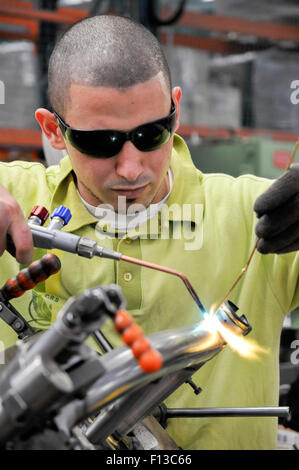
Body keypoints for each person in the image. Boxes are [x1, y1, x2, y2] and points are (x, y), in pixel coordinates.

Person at [0, 14, 299, 451]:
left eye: (150, 133)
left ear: (175, 112)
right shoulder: (17, 199)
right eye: (100, 142)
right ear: (52, 130)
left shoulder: (260, 218)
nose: (131, 167)